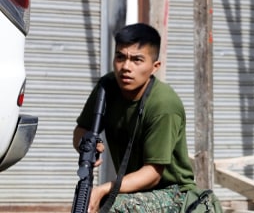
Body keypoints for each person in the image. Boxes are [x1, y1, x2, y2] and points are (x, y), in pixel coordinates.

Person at [73, 23, 196, 212]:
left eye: (137, 60)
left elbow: (153, 174)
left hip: (176, 195)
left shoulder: (163, 104)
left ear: (155, 66)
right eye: (120, 57)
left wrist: (103, 189)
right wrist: (87, 146)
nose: (126, 67)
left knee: (113, 206)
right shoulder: (107, 87)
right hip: (136, 192)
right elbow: (81, 130)